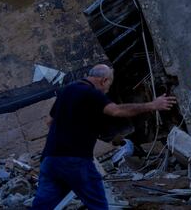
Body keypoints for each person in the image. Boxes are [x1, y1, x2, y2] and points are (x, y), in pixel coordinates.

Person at [31, 64, 176, 210]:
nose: (107, 91)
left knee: (43, 206)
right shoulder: (91, 93)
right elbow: (116, 111)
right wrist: (152, 105)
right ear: (103, 80)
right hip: (75, 159)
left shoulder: (67, 90)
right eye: (109, 85)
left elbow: (50, 121)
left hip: (49, 159)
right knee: (98, 204)